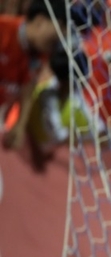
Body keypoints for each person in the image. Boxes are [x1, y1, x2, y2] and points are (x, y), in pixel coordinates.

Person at [0, 0, 68, 149]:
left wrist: (20, 125)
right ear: (40, 21)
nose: (61, 35)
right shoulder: (3, 30)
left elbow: (28, 87)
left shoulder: (40, 53)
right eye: (60, 27)